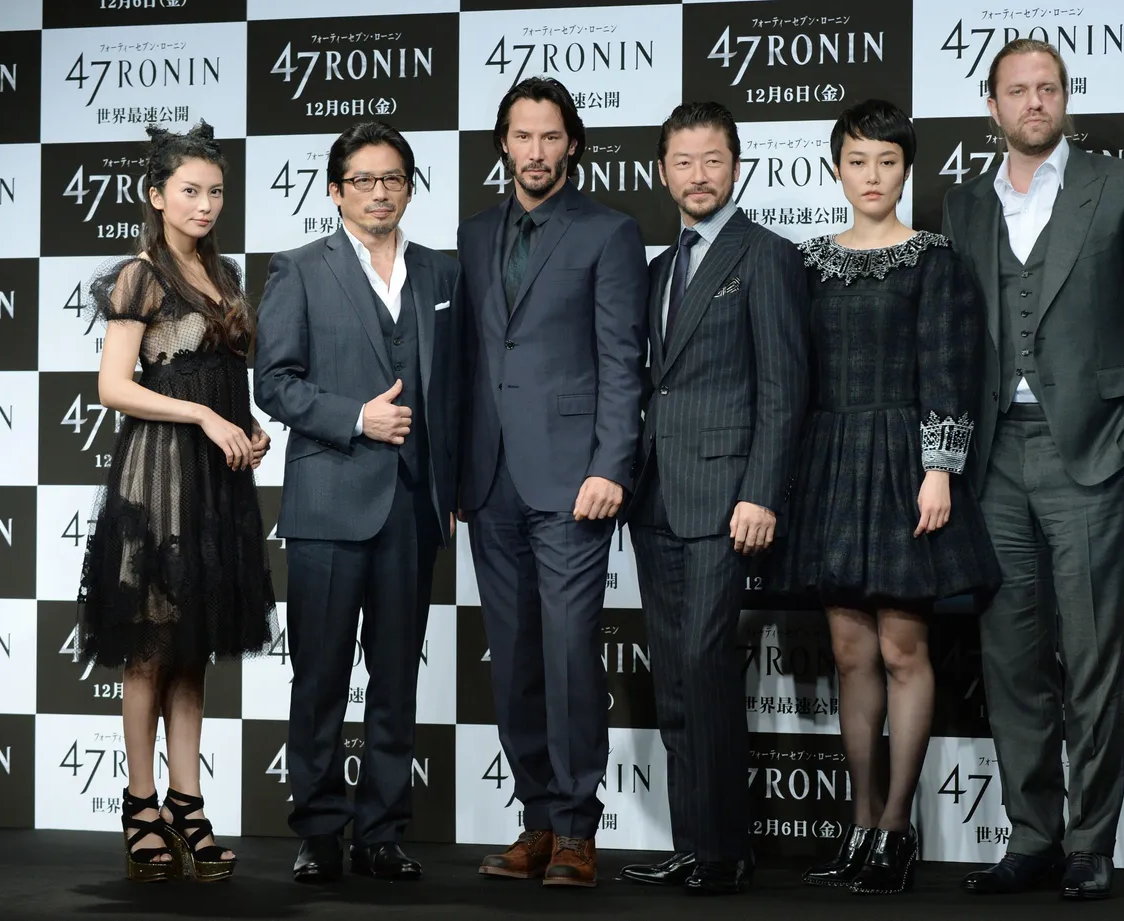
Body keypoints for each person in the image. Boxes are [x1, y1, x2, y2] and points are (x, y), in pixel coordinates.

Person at [942, 40, 1124, 900]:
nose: (1034, 102)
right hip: (992, 456)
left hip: (1088, 451)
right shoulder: (964, 204)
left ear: (1066, 96)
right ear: (993, 105)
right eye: (1018, 90)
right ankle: (1032, 836)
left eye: (1047, 87)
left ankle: (1092, 839)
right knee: (1010, 660)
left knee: (1090, 657)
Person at [765, 99, 1001, 896]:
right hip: (830, 463)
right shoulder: (804, 263)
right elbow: (790, 379)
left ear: (907, 169)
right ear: (836, 168)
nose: (873, 176)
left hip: (906, 466)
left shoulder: (935, 260)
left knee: (904, 649)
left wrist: (940, 467)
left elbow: (951, 367)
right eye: (858, 161)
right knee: (849, 652)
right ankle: (860, 822)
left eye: (888, 162)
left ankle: (898, 827)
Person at [253, 121, 461, 884]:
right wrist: (355, 417)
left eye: (394, 178)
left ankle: (381, 831)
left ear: (410, 185)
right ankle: (317, 829)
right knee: (320, 677)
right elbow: (273, 381)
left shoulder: (442, 274)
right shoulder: (299, 269)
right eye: (364, 180)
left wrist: (454, 486)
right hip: (329, 505)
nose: (381, 192)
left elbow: (458, 387)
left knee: (397, 679)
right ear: (336, 190)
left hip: (413, 508)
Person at [456, 76, 647, 888]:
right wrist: (459, 472)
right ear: (503, 142)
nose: (535, 152)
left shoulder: (610, 232)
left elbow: (622, 361)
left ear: (572, 144)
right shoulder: (470, 235)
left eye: (550, 137)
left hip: (574, 482)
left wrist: (611, 465)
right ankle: (535, 818)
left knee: (571, 655)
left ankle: (576, 826)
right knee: (518, 660)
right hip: (490, 481)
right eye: (521, 136)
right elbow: (468, 364)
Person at [78, 121, 276, 883]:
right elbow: (114, 386)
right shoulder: (139, 275)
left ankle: (188, 805)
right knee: (151, 649)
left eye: (215, 191)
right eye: (188, 191)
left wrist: (246, 428)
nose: (204, 203)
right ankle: (140, 805)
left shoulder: (223, 274)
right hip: (157, 476)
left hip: (215, 483)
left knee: (193, 649)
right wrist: (201, 416)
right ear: (155, 196)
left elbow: (222, 381)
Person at [619, 101, 808, 897]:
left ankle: (725, 849)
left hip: (727, 497)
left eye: (713, 161)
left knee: (702, 664)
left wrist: (762, 490)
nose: (698, 176)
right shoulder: (659, 270)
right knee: (674, 677)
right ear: (663, 171)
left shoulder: (765, 256)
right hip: (657, 498)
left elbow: (786, 388)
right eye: (683, 162)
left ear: (738, 166)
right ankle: (696, 842)